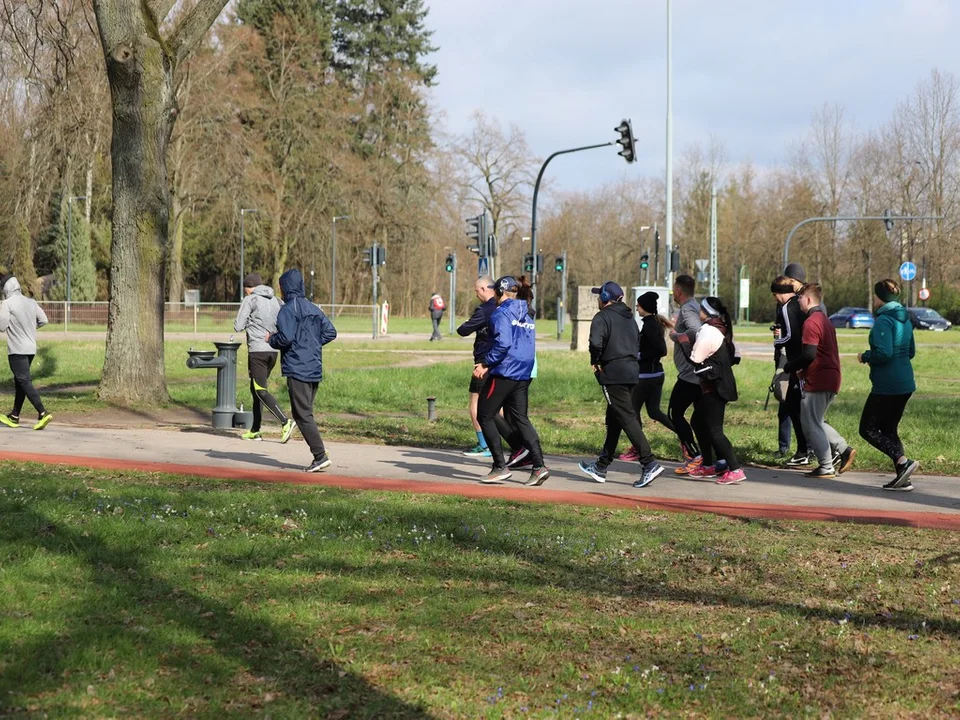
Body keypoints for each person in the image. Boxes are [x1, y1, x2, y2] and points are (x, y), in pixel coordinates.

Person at [578, 281, 664, 489]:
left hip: (613, 373)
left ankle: (649, 462)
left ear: (606, 298)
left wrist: (596, 362)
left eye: (600, 296)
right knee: (615, 417)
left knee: (626, 417)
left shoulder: (602, 317)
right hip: (632, 371)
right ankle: (601, 465)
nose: (598, 299)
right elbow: (636, 343)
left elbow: (595, 344)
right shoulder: (630, 318)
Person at [474, 276, 550, 486]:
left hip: (504, 372)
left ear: (499, 292)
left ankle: (499, 466)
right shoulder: (527, 313)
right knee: (520, 419)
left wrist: (485, 364)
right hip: (523, 373)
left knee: (485, 415)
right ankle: (539, 466)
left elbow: (503, 344)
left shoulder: (501, 313)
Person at [782, 283, 856, 478]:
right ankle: (843, 449)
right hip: (831, 376)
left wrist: (791, 366)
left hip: (819, 379)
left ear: (808, 299)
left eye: (799, 298)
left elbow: (808, 354)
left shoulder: (811, 322)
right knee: (816, 420)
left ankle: (826, 465)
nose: (797, 301)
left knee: (809, 423)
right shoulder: (824, 319)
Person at [267, 268, 338, 473]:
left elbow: (286, 338)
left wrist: (270, 339)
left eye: (281, 287)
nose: (280, 291)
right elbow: (330, 332)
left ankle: (320, 456)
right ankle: (319, 455)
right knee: (305, 413)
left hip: (298, 368)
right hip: (314, 366)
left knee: (302, 415)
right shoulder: (314, 308)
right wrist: (313, 344)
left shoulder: (287, 310)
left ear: (286, 288)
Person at [675, 297, 745, 485]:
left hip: (716, 387)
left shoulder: (708, 331)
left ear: (705, 312)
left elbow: (695, 358)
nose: (698, 310)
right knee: (698, 422)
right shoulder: (720, 327)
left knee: (715, 430)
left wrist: (682, 341)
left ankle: (735, 469)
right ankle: (708, 465)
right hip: (713, 386)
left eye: (701, 308)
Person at [857, 279, 919, 491]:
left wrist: (865, 356)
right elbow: (910, 352)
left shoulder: (884, 320)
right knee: (889, 430)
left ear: (880, 297)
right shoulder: (905, 318)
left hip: (887, 385)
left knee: (867, 428)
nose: (874, 299)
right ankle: (903, 477)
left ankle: (903, 462)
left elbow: (884, 353)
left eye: (875, 295)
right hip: (906, 383)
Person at [618, 292, 680, 462]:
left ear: (644, 307)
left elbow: (661, 350)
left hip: (646, 376)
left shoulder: (650, 325)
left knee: (631, 411)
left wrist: (638, 355)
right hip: (655, 374)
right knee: (653, 411)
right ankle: (684, 435)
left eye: (638, 305)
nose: (637, 308)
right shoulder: (651, 323)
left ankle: (638, 448)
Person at [234, 272, 295, 442]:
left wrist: (249, 323)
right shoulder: (276, 300)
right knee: (256, 390)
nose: (246, 292)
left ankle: (285, 422)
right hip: (273, 350)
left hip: (257, 351)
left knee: (260, 390)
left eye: (245, 289)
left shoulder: (250, 299)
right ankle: (255, 430)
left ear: (248, 287)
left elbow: (238, 326)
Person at [0, 275, 52, 430]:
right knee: (20, 382)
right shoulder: (31, 302)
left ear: (6, 290)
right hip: (30, 349)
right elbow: (44, 320)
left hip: (17, 350)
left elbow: (2, 326)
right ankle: (14, 416)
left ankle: (43, 412)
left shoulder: (7, 303)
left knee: (24, 381)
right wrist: (29, 328)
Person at [771, 275, 811, 468]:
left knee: (797, 407)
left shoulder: (787, 307)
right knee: (801, 407)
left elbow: (790, 336)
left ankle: (807, 450)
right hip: (804, 361)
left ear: (778, 294)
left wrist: (777, 342)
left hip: (797, 362)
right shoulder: (799, 304)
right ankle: (807, 449)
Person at [666, 275, 703, 473]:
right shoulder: (696, 306)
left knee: (675, 413)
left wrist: (676, 336)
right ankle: (708, 458)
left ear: (678, 291)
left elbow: (696, 331)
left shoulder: (687, 309)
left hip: (690, 373)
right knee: (699, 419)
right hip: (698, 372)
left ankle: (694, 455)